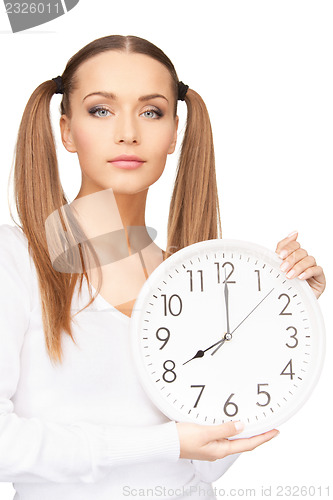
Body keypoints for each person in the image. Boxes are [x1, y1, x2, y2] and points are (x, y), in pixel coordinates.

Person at [0, 34, 326, 500]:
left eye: (151, 111)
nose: (128, 132)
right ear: (66, 130)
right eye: (101, 110)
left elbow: (205, 465)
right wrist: (162, 444)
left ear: (175, 131)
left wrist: (286, 313)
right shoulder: (16, 258)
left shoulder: (192, 276)